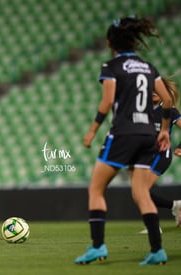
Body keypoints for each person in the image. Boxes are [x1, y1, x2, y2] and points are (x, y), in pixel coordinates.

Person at [75, 16, 172, 266]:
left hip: (123, 134)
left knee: (96, 189)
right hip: (148, 135)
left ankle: (97, 246)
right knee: (141, 193)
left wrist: (92, 130)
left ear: (110, 43)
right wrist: (164, 131)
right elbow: (168, 100)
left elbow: (107, 102)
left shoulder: (111, 67)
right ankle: (157, 250)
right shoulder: (149, 68)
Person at [140, 77, 181, 233]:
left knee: (141, 190)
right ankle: (175, 205)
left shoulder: (169, 109)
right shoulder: (142, 109)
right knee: (139, 191)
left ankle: (153, 226)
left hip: (161, 155)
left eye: (157, 89)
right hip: (145, 156)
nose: (154, 92)